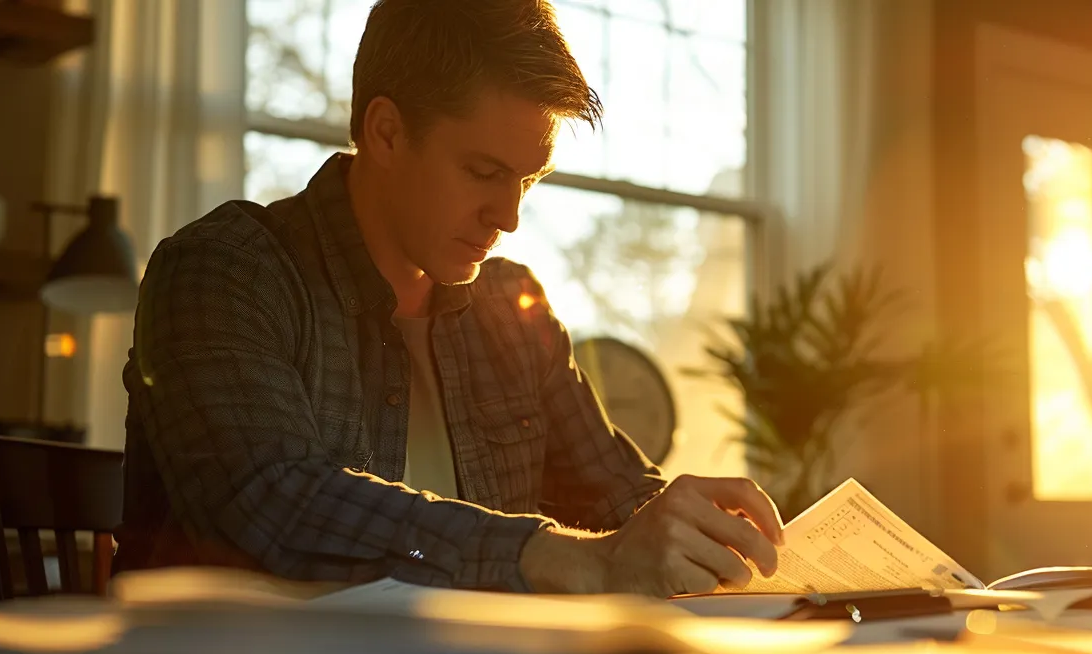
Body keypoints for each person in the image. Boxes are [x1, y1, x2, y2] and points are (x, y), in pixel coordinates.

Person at [115, 0, 782, 597]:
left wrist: (690, 529)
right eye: (485, 172)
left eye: (530, 179)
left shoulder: (513, 309)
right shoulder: (225, 271)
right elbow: (270, 507)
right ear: (385, 132)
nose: (511, 216)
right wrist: (575, 561)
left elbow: (619, 498)